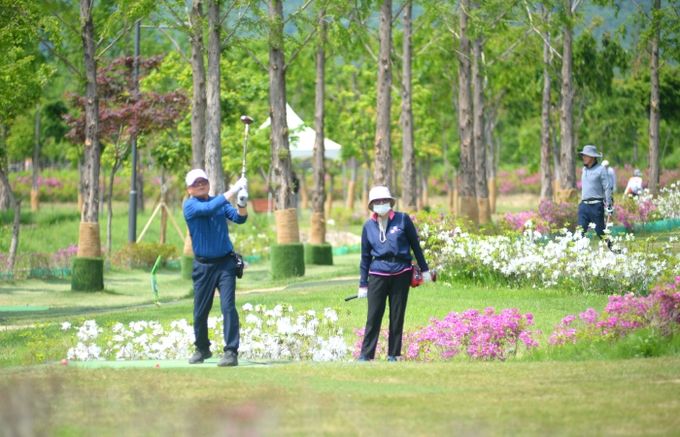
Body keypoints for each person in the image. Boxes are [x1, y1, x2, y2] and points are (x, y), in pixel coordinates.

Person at [357, 186, 434, 362]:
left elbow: (415, 246)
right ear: (372, 205)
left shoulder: (403, 219)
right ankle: (366, 355)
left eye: (384, 200)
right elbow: (365, 257)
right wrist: (363, 284)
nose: (381, 203)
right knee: (373, 316)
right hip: (377, 274)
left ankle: (393, 355)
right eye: (377, 201)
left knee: (397, 316)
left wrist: (425, 270)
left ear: (390, 202)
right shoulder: (368, 226)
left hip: (401, 272)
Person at [183, 169, 248, 367]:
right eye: (196, 183)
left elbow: (239, 218)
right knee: (200, 311)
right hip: (203, 266)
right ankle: (202, 348)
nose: (200, 185)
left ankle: (231, 351)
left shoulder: (219, 203)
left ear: (208, 184)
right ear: (189, 189)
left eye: (203, 181)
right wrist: (233, 189)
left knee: (228, 307)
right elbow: (208, 209)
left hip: (225, 264)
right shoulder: (190, 206)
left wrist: (242, 202)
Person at [577, 145, 612, 240]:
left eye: (586, 155)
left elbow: (607, 187)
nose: (583, 157)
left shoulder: (601, 169)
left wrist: (609, 204)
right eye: (583, 155)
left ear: (592, 157)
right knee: (579, 232)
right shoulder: (584, 169)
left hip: (596, 207)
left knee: (601, 232)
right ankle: (578, 249)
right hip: (584, 206)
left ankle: (612, 247)